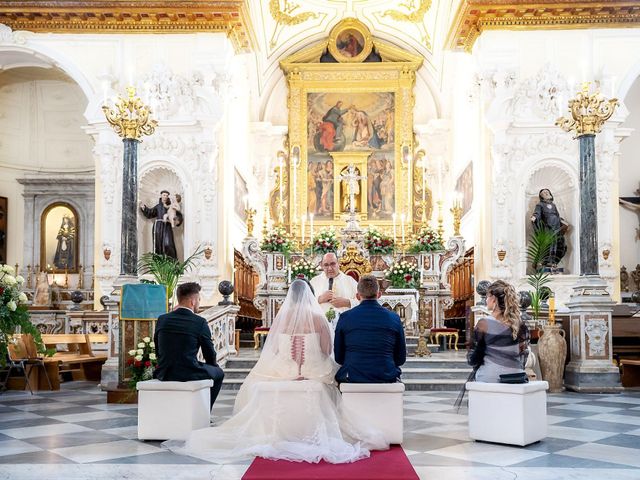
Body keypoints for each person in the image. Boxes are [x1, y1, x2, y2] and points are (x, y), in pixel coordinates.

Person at [166, 279, 387, 463]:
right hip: (314, 369)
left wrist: (291, 365)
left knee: (259, 380)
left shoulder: (282, 318)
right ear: (311, 296)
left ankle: (273, 430)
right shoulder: (319, 318)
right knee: (333, 376)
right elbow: (327, 350)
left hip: (284, 369)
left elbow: (275, 348)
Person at [153, 282, 224, 411]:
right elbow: (209, 353)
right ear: (192, 301)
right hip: (188, 372)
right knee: (218, 373)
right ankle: (205, 412)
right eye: (199, 300)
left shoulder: (162, 319)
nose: (199, 303)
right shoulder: (199, 322)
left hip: (163, 372)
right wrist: (212, 365)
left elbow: (157, 348)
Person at [334, 275, 406, 383]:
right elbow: (400, 358)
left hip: (353, 376)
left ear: (358, 296)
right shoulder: (394, 318)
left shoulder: (345, 317)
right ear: (379, 294)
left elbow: (339, 357)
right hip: (386, 375)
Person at [467, 280, 529, 383]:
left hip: (491, 377)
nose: (486, 300)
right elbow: (523, 355)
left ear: (494, 300)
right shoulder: (519, 324)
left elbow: (474, 358)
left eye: (487, 296)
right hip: (516, 377)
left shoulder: (483, 324)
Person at [310, 252, 358, 318]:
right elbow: (305, 303)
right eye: (326, 265)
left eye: (333, 264)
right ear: (321, 265)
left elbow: (363, 301)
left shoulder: (350, 281)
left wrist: (348, 302)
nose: (330, 268)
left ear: (338, 263)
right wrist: (319, 299)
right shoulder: (314, 281)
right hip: (321, 323)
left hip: (345, 323)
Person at [530, 188, 568, 268]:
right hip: (548, 228)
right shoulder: (540, 205)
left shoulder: (553, 205)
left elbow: (557, 215)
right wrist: (534, 217)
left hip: (556, 227)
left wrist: (562, 222)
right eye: (544, 193)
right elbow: (537, 213)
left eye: (547, 192)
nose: (546, 193)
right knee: (549, 245)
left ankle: (553, 261)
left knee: (557, 245)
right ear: (541, 196)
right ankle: (546, 262)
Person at [140, 190, 182, 259]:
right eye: (164, 195)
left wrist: (176, 220)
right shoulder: (158, 206)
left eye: (166, 195)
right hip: (158, 227)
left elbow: (176, 214)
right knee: (158, 245)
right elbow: (150, 213)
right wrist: (144, 208)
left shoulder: (170, 205)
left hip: (167, 226)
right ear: (161, 196)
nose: (165, 197)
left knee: (168, 244)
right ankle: (159, 264)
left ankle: (171, 263)